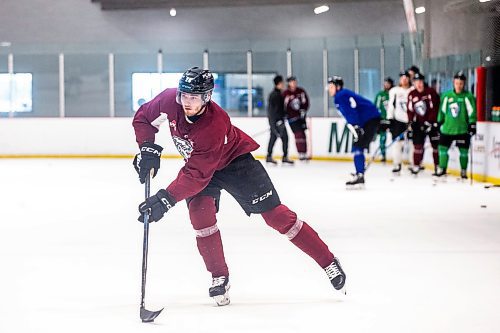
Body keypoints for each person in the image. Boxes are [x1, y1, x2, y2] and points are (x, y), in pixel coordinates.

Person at [132, 67, 346, 306]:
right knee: (200, 215)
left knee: (277, 217)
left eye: (193, 97)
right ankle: (219, 276)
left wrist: (166, 198)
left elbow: (196, 175)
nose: (186, 102)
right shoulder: (169, 100)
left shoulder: (214, 123)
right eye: (184, 95)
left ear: (207, 97)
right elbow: (143, 117)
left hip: (235, 164)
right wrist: (147, 147)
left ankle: (328, 261)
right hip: (200, 167)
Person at [328, 76, 381, 187]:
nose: (329, 89)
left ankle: (360, 175)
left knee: (358, 146)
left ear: (337, 87)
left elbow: (350, 112)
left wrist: (356, 126)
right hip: (369, 119)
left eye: (331, 86)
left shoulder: (340, 96)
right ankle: (359, 172)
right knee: (358, 146)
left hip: (369, 120)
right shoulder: (342, 94)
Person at [435, 71, 477, 179]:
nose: (459, 86)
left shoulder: (468, 96)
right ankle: (442, 169)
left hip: (462, 130)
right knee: (442, 149)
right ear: (453, 83)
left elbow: (472, 112)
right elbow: (442, 112)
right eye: (457, 83)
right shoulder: (446, 96)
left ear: (464, 84)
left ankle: (463, 171)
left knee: (464, 152)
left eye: (461, 83)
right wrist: (439, 122)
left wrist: (472, 124)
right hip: (447, 129)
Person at [407, 73, 441, 175]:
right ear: (414, 83)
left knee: (435, 145)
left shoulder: (431, 92)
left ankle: (437, 166)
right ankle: (416, 165)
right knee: (417, 145)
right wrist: (410, 122)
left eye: (420, 82)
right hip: (418, 124)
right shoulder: (412, 94)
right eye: (417, 82)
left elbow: (434, 108)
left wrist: (430, 121)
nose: (419, 84)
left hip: (432, 123)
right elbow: (410, 110)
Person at [387, 71, 412, 175]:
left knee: (412, 143)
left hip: (411, 121)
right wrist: (390, 119)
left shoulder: (412, 90)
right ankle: (397, 164)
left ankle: (413, 164)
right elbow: (391, 105)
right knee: (397, 143)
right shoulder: (394, 91)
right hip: (398, 120)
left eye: (406, 78)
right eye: (402, 78)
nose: (404, 80)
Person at [266, 75, 293, 165]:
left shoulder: (277, 94)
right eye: (283, 83)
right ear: (279, 83)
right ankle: (283, 156)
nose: (284, 85)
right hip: (277, 121)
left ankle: (269, 156)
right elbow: (274, 110)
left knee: (273, 138)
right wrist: (276, 121)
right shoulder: (275, 95)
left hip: (276, 121)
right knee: (284, 137)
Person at [283, 76, 310, 160]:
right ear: (289, 83)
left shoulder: (300, 91)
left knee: (303, 135)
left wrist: (303, 110)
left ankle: (304, 152)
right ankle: (300, 153)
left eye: (295, 81)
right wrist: (285, 114)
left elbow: (306, 102)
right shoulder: (286, 93)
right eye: (292, 82)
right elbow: (283, 105)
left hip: (301, 118)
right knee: (298, 135)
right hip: (291, 119)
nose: (294, 83)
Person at [374, 77, 394, 162]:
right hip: (382, 119)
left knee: (396, 138)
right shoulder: (380, 95)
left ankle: (396, 156)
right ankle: (383, 155)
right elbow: (376, 107)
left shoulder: (394, 93)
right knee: (382, 138)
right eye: (385, 83)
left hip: (393, 119)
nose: (386, 85)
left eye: (388, 83)